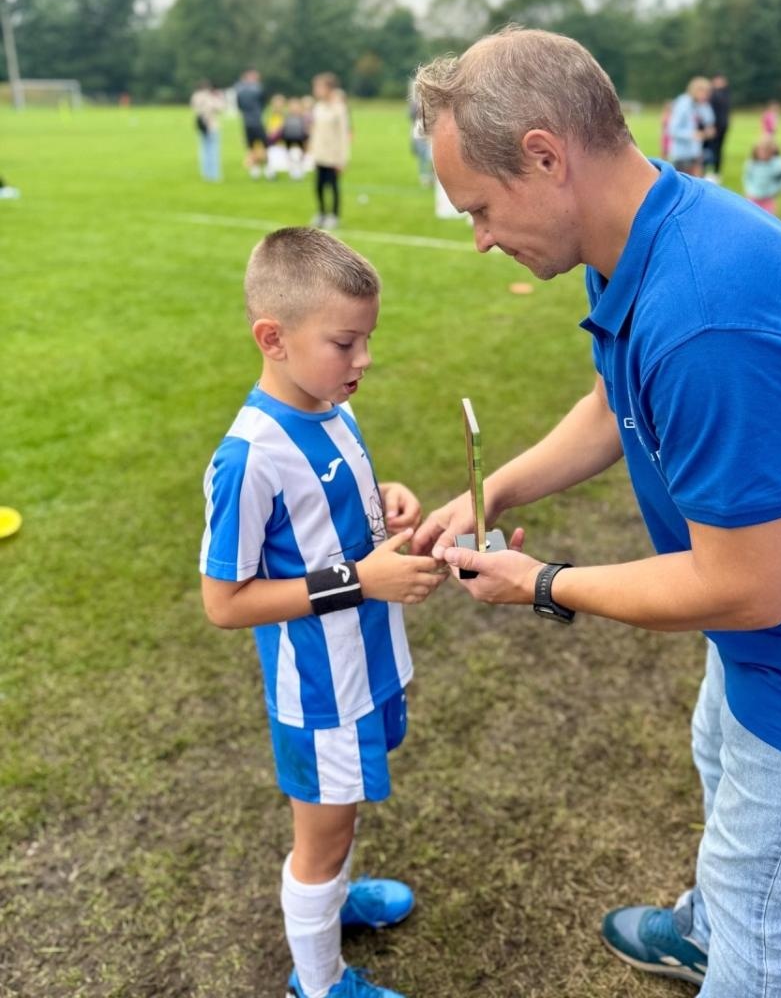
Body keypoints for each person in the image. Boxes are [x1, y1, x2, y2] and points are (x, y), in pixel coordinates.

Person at [411, 28, 781, 998]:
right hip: (778, 629)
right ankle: (709, 922)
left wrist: (544, 583)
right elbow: (610, 403)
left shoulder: (712, 318)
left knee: (761, 908)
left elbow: (746, 588)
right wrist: (496, 490)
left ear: (547, 157)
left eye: (482, 209)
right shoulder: (638, 233)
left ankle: (732, 933)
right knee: (716, 749)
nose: (478, 238)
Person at [199, 227, 445, 998]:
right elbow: (224, 602)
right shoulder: (247, 458)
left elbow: (333, 514)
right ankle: (320, 980)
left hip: (371, 662)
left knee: (341, 815)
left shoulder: (332, 405)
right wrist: (360, 581)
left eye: (368, 339)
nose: (363, 360)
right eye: (346, 342)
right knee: (321, 836)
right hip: (319, 691)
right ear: (272, 338)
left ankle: (337, 891)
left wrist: (388, 501)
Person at [309, 74, 351, 229]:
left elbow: (342, 135)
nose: (316, 90)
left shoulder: (339, 108)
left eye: (319, 87)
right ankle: (321, 213)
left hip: (333, 156)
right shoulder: (318, 107)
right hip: (320, 154)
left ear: (328, 88)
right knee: (318, 186)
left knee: (333, 186)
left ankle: (334, 215)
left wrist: (342, 159)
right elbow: (315, 131)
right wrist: (312, 152)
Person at [667, 77, 715, 176]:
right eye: (704, 92)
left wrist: (709, 129)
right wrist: (692, 134)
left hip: (696, 152)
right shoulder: (683, 104)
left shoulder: (702, 105)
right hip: (682, 155)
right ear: (695, 90)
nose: (706, 96)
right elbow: (672, 130)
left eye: (708, 93)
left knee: (698, 183)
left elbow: (709, 120)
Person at [742, 138, 781, 215]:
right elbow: (747, 177)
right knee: (751, 215)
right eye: (761, 151)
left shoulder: (777, 164)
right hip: (753, 196)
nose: (763, 154)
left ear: (772, 152)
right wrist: (748, 189)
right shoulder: (752, 163)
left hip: (768, 198)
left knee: (767, 217)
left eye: (767, 152)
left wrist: (779, 190)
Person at [235, 68, 268, 179]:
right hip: (257, 121)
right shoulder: (257, 88)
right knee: (265, 145)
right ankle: (267, 169)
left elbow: (239, 105)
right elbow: (263, 102)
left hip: (247, 121)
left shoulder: (240, 89)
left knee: (251, 147)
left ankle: (255, 170)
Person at [190, 81, 226, 182]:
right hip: (211, 125)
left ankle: (205, 173)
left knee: (203, 151)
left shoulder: (195, 96)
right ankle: (214, 175)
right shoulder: (209, 97)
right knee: (213, 151)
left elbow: (194, 108)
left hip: (200, 125)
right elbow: (220, 108)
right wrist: (218, 97)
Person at [706, 74, 731, 182]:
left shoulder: (717, 95)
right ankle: (713, 172)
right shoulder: (725, 94)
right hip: (720, 126)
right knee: (715, 150)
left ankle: (715, 172)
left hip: (718, 127)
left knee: (715, 150)